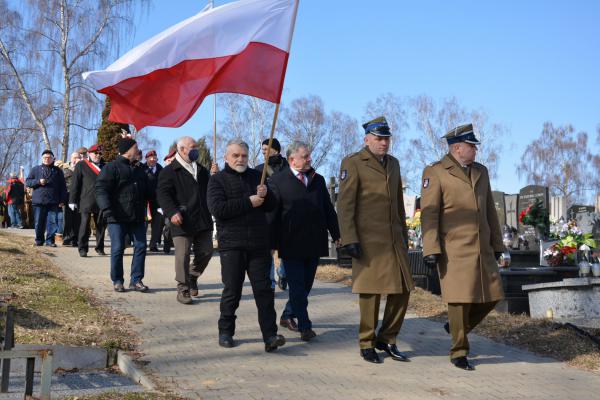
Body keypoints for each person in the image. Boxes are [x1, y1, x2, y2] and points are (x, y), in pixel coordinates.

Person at [420, 123, 504, 371]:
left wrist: (497, 243)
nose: (475, 150)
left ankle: (457, 327)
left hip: (482, 246)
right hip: (453, 247)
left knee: (493, 295)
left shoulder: (481, 171)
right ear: (457, 148)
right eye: (471, 146)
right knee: (458, 300)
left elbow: (489, 208)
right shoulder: (435, 171)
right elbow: (429, 213)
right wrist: (431, 248)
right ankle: (459, 351)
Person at [337, 116, 414, 364]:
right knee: (370, 294)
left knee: (403, 291)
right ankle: (367, 343)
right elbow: (345, 204)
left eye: (387, 139)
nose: (384, 143)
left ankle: (387, 339)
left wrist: (404, 235)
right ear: (367, 139)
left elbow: (399, 206)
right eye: (379, 139)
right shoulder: (353, 163)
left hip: (394, 241)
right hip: (367, 241)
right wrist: (349, 238)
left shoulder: (393, 164)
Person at [207, 139, 285, 352]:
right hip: (232, 245)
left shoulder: (257, 177)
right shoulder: (217, 180)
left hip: (259, 244)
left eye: (243, 155)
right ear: (226, 157)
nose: (240, 159)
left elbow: (271, 206)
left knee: (264, 291)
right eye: (236, 155)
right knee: (232, 290)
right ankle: (225, 331)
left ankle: (270, 335)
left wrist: (266, 195)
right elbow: (218, 209)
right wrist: (248, 202)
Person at [269, 141, 340, 341]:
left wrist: (337, 234)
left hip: (314, 241)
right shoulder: (278, 180)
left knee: (306, 286)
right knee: (298, 286)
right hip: (290, 243)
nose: (310, 159)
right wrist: (271, 243)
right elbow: (272, 215)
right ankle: (305, 326)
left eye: (309, 156)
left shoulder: (318, 180)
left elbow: (328, 209)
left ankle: (286, 315)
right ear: (292, 160)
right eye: (305, 156)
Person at [157, 137, 213, 304]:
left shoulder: (202, 170)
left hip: (202, 219)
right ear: (181, 150)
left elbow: (210, 192)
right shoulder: (169, 171)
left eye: (196, 146)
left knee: (206, 251)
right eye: (192, 147)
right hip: (181, 219)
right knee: (183, 254)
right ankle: (183, 288)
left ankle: (192, 277)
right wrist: (172, 212)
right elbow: (163, 194)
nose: (196, 149)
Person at [95, 138, 152, 293]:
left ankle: (136, 280)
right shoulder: (111, 167)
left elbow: (149, 191)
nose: (138, 150)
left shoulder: (140, 170)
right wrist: (106, 209)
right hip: (116, 216)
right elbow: (101, 189)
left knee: (141, 246)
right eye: (136, 147)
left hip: (137, 216)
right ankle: (118, 280)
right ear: (127, 150)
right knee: (118, 248)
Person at [255, 138, 290, 291]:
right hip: (267, 215)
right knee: (269, 249)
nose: (263, 152)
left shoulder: (289, 167)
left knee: (287, 248)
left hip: (287, 214)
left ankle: (283, 273)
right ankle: (270, 282)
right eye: (262, 149)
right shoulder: (259, 169)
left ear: (276, 149)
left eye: (266, 149)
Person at [70, 144, 106, 257]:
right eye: (96, 153)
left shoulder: (105, 166)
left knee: (101, 225)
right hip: (86, 199)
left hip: (101, 200)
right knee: (84, 225)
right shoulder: (81, 165)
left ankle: (100, 247)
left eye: (100, 153)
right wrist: (72, 200)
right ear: (89, 153)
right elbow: (75, 184)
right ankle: (82, 248)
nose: (98, 155)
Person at [26, 150, 68, 247]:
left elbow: (63, 187)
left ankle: (50, 241)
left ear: (53, 159)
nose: (47, 159)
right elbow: (28, 182)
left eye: (49, 158)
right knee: (38, 223)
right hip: (38, 201)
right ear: (42, 159)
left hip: (53, 202)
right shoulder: (35, 169)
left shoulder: (58, 171)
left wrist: (62, 200)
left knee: (52, 223)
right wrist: (38, 182)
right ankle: (39, 240)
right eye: (45, 158)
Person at [143, 150, 164, 252]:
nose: (152, 159)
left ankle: (153, 244)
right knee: (144, 224)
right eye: (150, 158)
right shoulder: (141, 169)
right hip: (145, 201)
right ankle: (141, 244)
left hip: (158, 202)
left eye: (154, 158)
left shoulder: (161, 169)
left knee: (157, 224)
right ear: (146, 159)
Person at [62, 152, 82, 246]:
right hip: (68, 196)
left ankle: (75, 239)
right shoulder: (64, 169)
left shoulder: (83, 168)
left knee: (78, 219)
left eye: (78, 158)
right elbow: (60, 183)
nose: (75, 160)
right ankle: (67, 238)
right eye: (74, 157)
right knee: (67, 218)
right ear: (71, 158)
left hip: (79, 197)